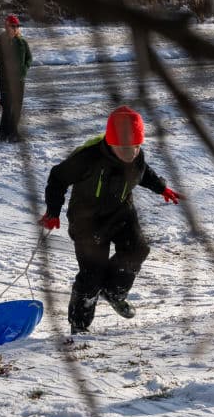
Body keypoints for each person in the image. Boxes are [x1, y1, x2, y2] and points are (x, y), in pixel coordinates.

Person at [38, 106, 182, 334]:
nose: (130, 153)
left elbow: (143, 172)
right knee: (92, 274)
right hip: (87, 220)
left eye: (135, 147)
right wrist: (52, 212)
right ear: (110, 142)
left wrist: (162, 188)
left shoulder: (137, 155)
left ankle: (114, 292)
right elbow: (57, 178)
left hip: (122, 212)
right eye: (123, 148)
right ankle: (79, 325)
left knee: (137, 250)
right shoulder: (88, 158)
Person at [0, 14, 32, 142]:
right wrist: (1, 68)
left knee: (17, 107)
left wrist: (24, 70)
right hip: (6, 80)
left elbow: (29, 58)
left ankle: (14, 133)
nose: (15, 29)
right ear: (6, 26)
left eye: (17, 26)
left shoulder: (22, 42)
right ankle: (3, 133)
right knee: (7, 106)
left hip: (19, 80)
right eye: (12, 26)